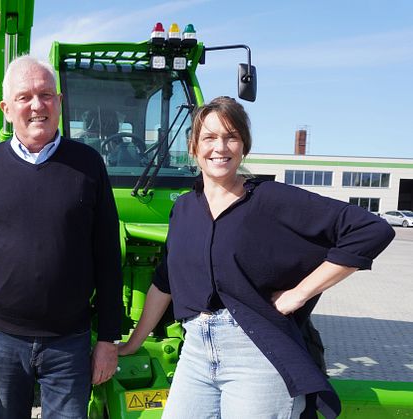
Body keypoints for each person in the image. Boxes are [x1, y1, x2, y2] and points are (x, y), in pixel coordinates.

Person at [118, 96, 394, 419]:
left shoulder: (269, 200)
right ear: (193, 147)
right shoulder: (183, 209)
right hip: (194, 352)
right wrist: (133, 344)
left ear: (243, 147)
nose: (219, 147)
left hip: (255, 356)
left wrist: (299, 293)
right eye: (209, 138)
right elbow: (164, 281)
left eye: (230, 137)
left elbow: (371, 230)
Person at [0, 56, 122, 418]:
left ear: (59, 102)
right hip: (2, 340)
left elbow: (107, 257)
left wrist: (107, 339)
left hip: (69, 341)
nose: (37, 105)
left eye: (46, 95)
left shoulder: (88, 164)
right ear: (7, 109)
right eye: (25, 97)